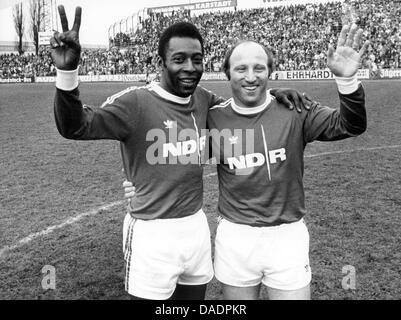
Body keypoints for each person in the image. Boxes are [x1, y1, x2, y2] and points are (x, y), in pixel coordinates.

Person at [51, 5, 312, 300]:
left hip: (195, 229)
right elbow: (75, 127)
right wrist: (67, 73)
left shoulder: (204, 100)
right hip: (152, 233)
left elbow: (240, 108)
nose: (190, 67)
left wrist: (275, 94)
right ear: (160, 62)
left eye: (196, 59)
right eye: (179, 59)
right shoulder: (134, 103)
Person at [125, 24, 369, 300]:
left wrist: (347, 81)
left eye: (259, 68)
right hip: (235, 239)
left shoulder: (295, 109)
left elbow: (351, 126)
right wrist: (138, 184)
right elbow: (174, 149)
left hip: (287, 237)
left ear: (270, 72)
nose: (250, 77)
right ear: (227, 73)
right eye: (241, 69)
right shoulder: (213, 117)